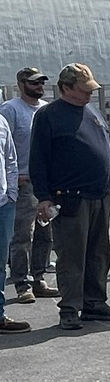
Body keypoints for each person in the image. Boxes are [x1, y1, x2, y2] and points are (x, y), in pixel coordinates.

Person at [30, 63, 110, 330]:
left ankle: (95, 302)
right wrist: (44, 197)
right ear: (66, 88)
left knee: (99, 253)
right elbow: (38, 159)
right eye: (84, 90)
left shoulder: (91, 111)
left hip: (99, 196)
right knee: (72, 256)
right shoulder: (49, 116)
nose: (89, 95)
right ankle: (70, 307)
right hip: (70, 198)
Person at [3, 67, 57, 304]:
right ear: (21, 83)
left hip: (45, 183)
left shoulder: (46, 109)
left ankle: (39, 277)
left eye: (41, 82)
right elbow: (6, 148)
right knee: (22, 236)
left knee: (46, 233)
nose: (39, 86)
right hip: (24, 183)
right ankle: (21, 283)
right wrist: (13, 178)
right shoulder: (11, 110)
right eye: (34, 82)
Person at [0, 114, 27, 332]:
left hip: (3, 205)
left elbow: (10, 158)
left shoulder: (1, 121)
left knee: (0, 264)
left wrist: (11, 194)